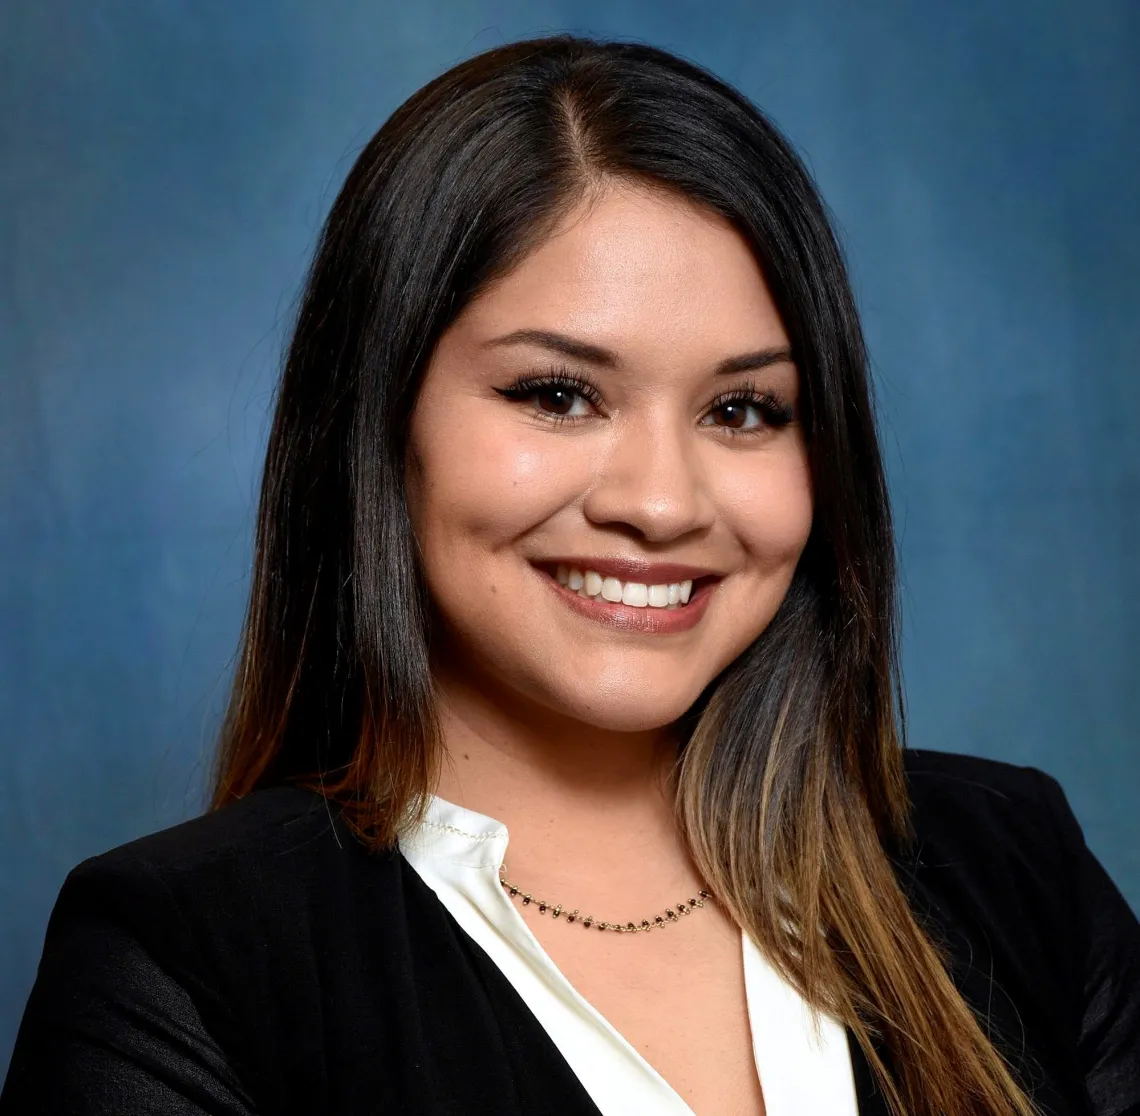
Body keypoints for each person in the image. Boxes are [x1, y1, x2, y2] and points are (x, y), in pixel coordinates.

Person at [2, 34, 1138, 1116]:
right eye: (558, 394)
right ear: (379, 422)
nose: (660, 502)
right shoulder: (187, 958)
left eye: (744, 409)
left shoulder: (1010, 861)